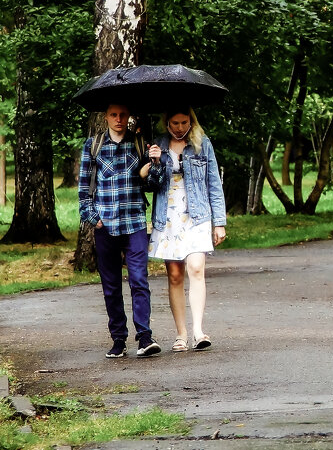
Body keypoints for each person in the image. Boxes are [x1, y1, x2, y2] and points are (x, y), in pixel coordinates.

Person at [78, 102, 162, 359]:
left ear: (129, 117)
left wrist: (155, 165)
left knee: (139, 280)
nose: (118, 119)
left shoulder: (140, 145)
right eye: (113, 115)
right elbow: (83, 191)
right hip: (106, 225)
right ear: (105, 116)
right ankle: (118, 338)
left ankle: (145, 337)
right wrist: (94, 218)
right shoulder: (93, 146)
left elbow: (153, 185)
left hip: (135, 222)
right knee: (111, 285)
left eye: (122, 115)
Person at [147, 108, 226, 352]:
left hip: (198, 214)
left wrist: (219, 221)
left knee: (196, 268)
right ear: (166, 122)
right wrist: (156, 161)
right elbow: (151, 185)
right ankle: (181, 334)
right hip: (168, 216)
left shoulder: (203, 145)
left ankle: (198, 331)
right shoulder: (157, 144)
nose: (180, 127)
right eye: (175, 122)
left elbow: (213, 183)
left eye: (184, 122)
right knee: (175, 275)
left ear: (191, 122)